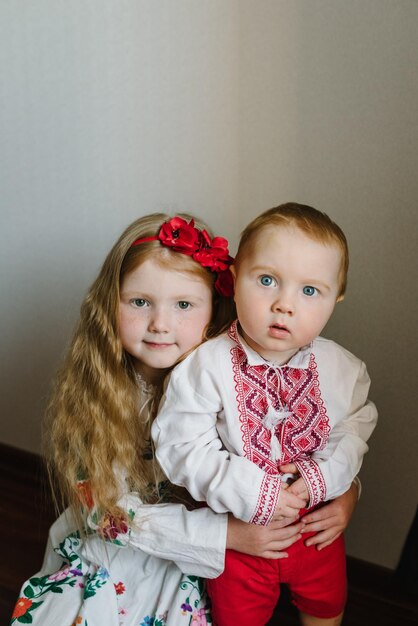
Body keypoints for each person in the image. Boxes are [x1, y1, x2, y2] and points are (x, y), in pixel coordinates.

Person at [11, 212, 359, 626]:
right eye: (140, 302)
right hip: (136, 544)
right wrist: (228, 536)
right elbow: (106, 514)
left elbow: (301, 442)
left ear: (214, 307)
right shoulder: (98, 396)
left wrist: (348, 490)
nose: (161, 324)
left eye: (183, 304)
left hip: (218, 553)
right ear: (111, 303)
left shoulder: (235, 376)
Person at [152, 203, 378, 626]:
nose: (284, 305)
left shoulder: (344, 370)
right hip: (240, 534)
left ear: (336, 299)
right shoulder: (206, 366)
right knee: (238, 617)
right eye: (267, 280)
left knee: (326, 604)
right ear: (235, 281)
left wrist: (322, 479)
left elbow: (355, 428)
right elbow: (182, 446)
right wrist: (255, 493)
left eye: (309, 291)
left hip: (317, 526)